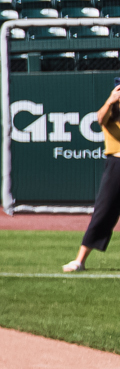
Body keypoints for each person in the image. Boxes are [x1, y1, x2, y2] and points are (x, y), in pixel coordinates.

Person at [63, 80, 120, 272]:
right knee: (102, 214)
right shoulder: (110, 112)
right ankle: (79, 261)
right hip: (116, 166)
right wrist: (110, 100)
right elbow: (99, 118)